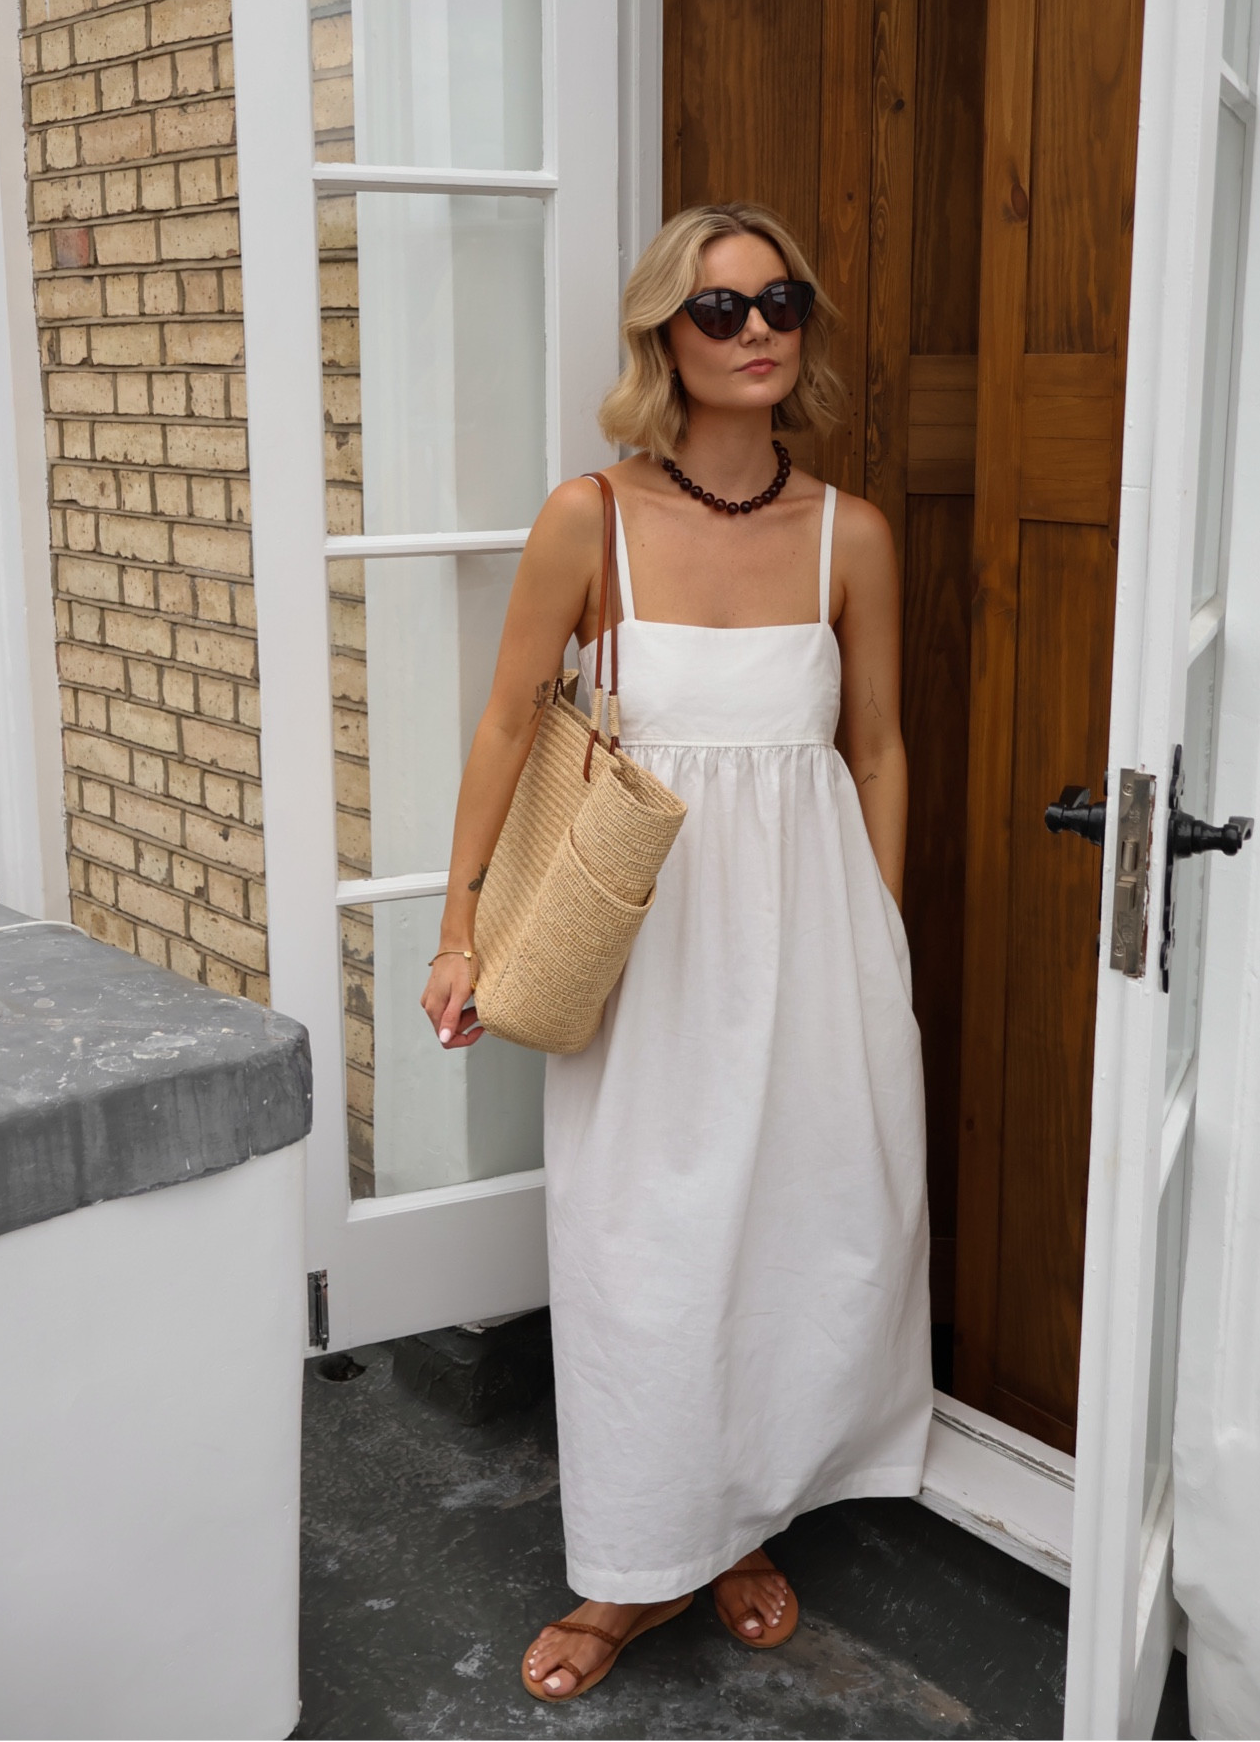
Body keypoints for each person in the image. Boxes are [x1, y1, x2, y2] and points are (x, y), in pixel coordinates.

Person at [420, 202, 932, 1703]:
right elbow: (512, 723)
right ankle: (626, 1572)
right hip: (648, 941)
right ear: (664, 336)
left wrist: (875, 941)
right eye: (719, 311)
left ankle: (738, 1524)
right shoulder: (589, 516)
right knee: (638, 1244)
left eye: (780, 302)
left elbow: (879, 746)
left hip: (812, 928)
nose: (757, 328)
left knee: (789, 1225)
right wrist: (460, 929)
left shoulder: (853, 532)